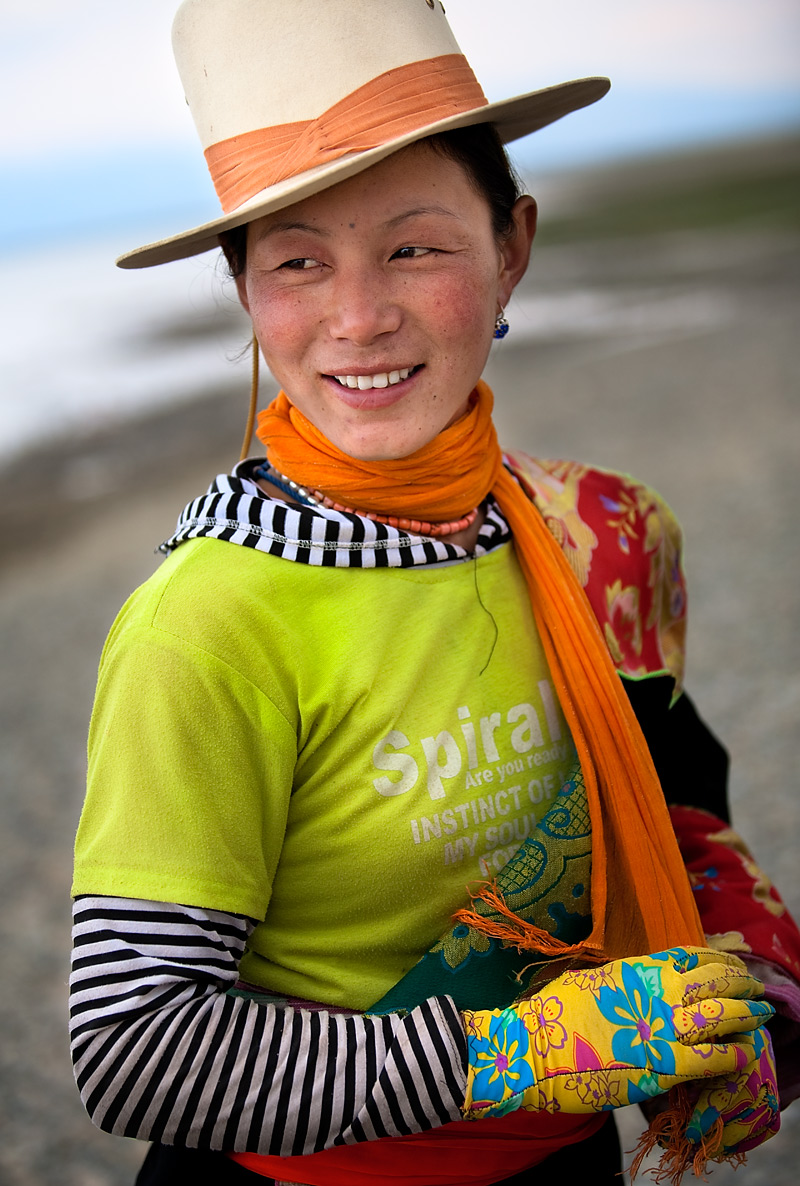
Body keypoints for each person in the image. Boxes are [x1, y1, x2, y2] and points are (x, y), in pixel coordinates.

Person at [70, 2, 800, 1184]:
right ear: (245, 290)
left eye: (414, 248)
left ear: (511, 245)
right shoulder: (201, 627)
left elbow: (675, 807)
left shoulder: (599, 533)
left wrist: (754, 985)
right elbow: (133, 1052)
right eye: (296, 261)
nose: (358, 317)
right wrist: (515, 1051)